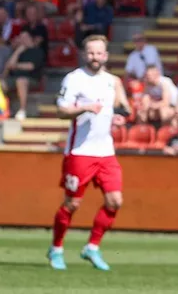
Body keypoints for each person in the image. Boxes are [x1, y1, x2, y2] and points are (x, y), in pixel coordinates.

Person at [50, 36, 132, 271]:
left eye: (99, 53)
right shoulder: (75, 79)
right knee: (73, 204)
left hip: (106, 152)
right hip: (80, 152)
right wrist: (84, 108)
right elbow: (61, 111)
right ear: (84, 54)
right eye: (91, 52)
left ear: (106, 55)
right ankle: (56, 248)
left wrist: (120, 117)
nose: (95, 57)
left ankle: (92, 247)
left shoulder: (112, 81)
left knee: (115, 201)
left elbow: (123, 107)